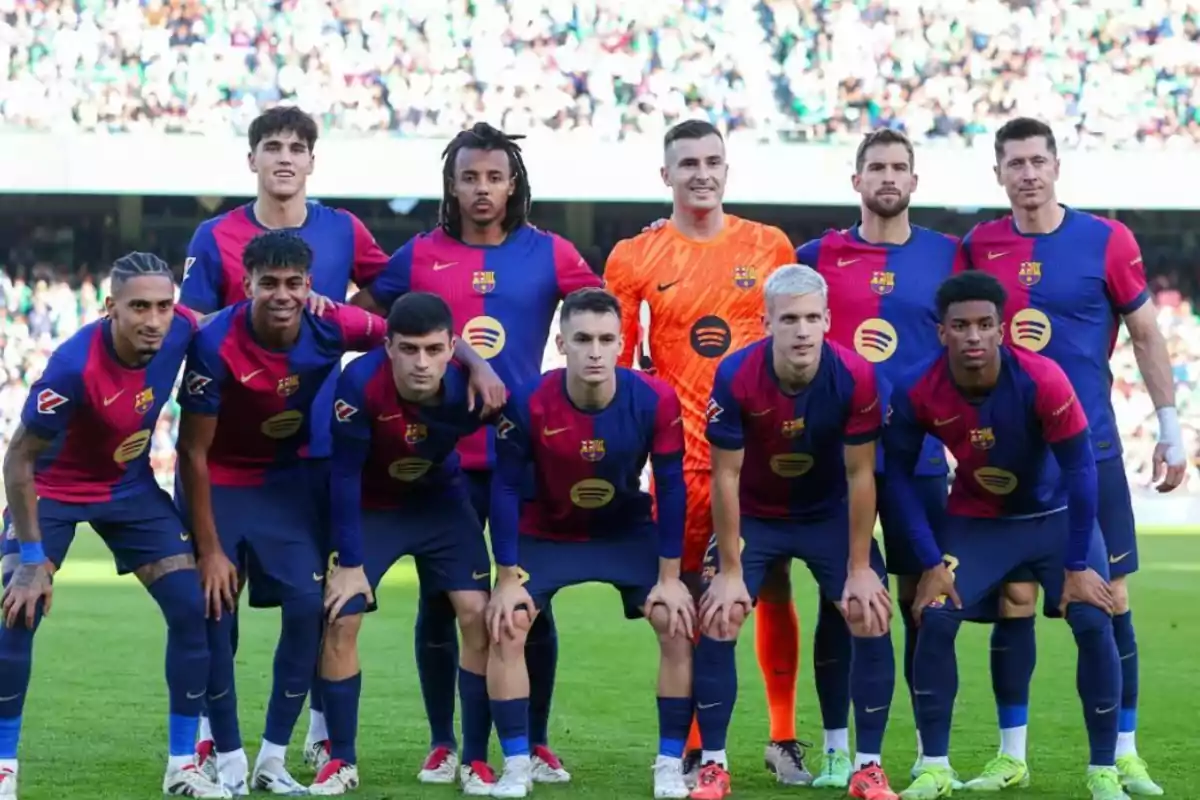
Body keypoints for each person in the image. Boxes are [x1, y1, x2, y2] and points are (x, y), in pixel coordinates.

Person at [181, 106, 504, 778]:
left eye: (297, 147)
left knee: (319, 603)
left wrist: (469, 359)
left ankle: (324, 736)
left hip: (316, 452)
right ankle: (211, 737)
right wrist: (243, 329)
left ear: (311, 160)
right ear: (253, 160)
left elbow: (403, 305)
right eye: (271, 147)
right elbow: (186, 320)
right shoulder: (217, 236)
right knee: (218, 604)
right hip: (232, 440)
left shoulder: (342, 232)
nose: (284, 158)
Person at [352, 122, 601, 785]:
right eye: (470, 177)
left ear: (513, 182)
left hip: (525, 455)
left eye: (494, 176)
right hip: (442, 460)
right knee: (444, 601)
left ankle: (536, 739)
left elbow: (602, 315)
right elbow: (367, 319)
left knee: (528, 602)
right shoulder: (418, 255)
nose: (482, 189)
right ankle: (444, 743)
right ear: (452, 184)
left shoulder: (550, 253)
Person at [959, 117, 1181, 795]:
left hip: (1091, 450)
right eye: (1014, 163)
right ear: (997, 174)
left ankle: (1125, 753)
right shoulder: (978, 245)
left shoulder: (1106, 241)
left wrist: (1171, 425)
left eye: (1037, 161)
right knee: (1015, 600)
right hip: (1007, 457)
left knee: (1112, 598)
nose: (1027, 174)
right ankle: (1010, 755)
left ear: (1057, 167)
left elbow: (1144, 334)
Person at [603, 119, 802, 785]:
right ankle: (692, 748)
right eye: (686, 162)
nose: (701, 173)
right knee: (690, 595)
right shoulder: (635, 257)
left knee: (770, 583)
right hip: (683, 459)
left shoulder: (768, 246)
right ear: (666, 174)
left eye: (712, 160)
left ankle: (782, 737)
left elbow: (792, 345)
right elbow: (621, 367)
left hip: (762, 455)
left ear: (727, 168)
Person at [889, 271, 1125, 800]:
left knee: (1092, 617)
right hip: (979, 521)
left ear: (1002, 330)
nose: (973, 336)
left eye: (984, 325)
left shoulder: (1043, 379)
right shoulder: (917, 387)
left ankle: (1103, 770)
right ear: (941, 331)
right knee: (936, 615)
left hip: (1055, 518)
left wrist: (1077, 565)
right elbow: (899, 475)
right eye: (961, 325)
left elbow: (1082, 471)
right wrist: (930, 560)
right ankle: (934, 766)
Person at [0, 253, 229, 798]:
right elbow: (18, 461)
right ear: (110, 308)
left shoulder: (183, 331)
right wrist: (32, 563)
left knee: (192, 607)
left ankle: (182, 767)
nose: (154, 320)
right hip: (52, 490)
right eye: (139, 307)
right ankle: (3, 767)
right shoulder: (72, 365)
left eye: (164, 307)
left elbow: (230, 323)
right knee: (17, 611)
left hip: (128, 488)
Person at [174, 232, 384, 795]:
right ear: (246, 286)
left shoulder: (333, 323)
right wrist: (210, 549)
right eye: (269, 283)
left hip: (283, 484)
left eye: (294, 284)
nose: (282, 294)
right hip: (219, 483)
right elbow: (192, 450)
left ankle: (272, 759)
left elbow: (413, 333)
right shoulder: (216, 341)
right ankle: (230, 758)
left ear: (310, 286)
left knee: (307, 606)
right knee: (217, 612)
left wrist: (473, 365)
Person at [794, 128, 972, 789]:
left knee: (927, 601)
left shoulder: (950, 256)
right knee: (840, 604)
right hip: (836, 462)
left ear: (915, 182)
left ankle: (932, 757)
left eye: (900, 167)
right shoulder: (817, 256)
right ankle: (839, 749)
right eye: (876, 167)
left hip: (920, 458)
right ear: (857, 181)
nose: (888, 177)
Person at [692, 265, 898, 800]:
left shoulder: (856, 376)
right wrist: (731, 572)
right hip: (757, 516)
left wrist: (859, 569)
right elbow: (725, 475)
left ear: (829, 320)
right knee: (719, 613)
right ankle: (713, 767)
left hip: (826, 515)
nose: (802, 330)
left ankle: (868, 768)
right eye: (789, 319)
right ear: (767, 323)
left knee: (870, 610)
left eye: (812, 318)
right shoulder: (736, 374)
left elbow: (860, 475)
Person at [483, 288, 694, 800]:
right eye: (582, 339)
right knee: (507, 623)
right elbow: (506, 487)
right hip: (548, 532)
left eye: (605, 339)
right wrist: (507, 576)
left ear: (623, 343)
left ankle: (669, 764)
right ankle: (516, 765)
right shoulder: (528, 401)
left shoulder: (655, 398)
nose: (595, 351)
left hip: (624, 532)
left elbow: (669, 484)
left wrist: (670, 578)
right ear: (562, 343)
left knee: (677, 623)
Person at [310, 292, 496, 796]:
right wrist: (349, 564)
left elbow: (516, 460)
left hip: (440, 500)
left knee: (478, 614)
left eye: (434, 350)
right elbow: (343, 476)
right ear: (387, 345)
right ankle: (340, 759)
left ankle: (473, 758)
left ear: (452, 348)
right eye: (409, 349)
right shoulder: (358, 383)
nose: (421, 362)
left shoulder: (472, 385)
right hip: (373, 505)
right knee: (342, 613)